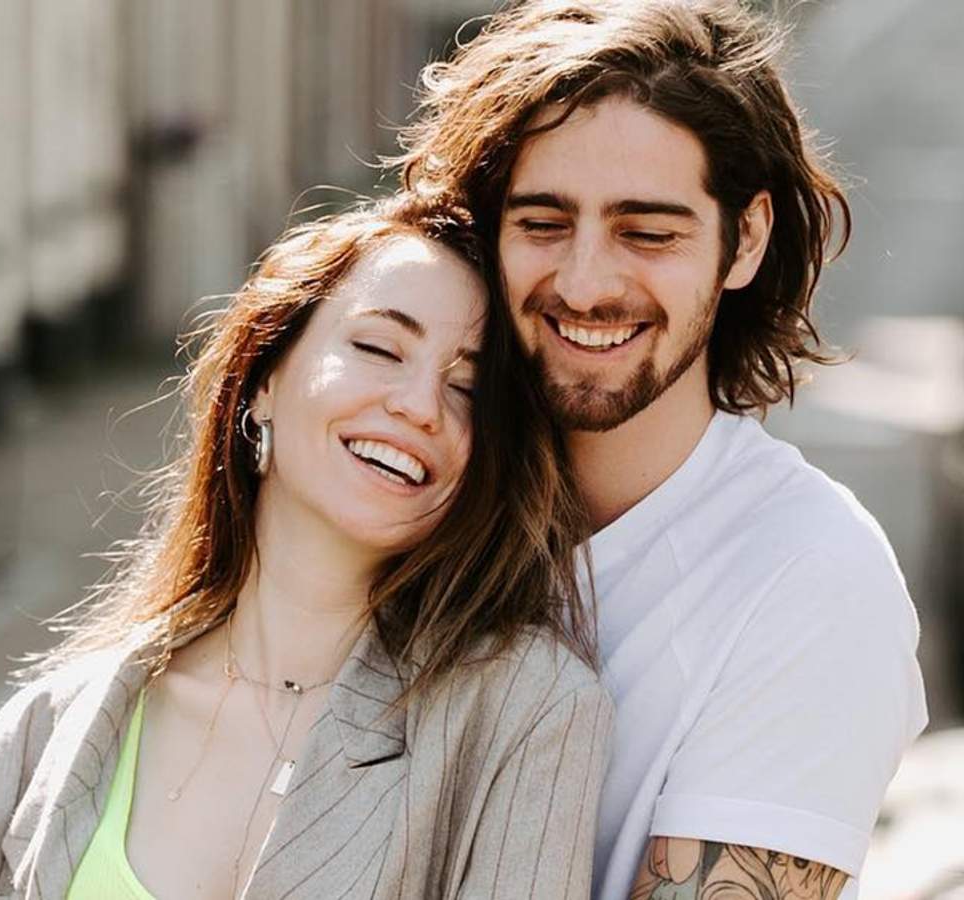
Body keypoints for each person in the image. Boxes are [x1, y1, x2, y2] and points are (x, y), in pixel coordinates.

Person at [0, 197, 613, 899]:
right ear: (264, 378)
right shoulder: (44, 737)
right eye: (378, 349)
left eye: (467, 389)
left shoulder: (527, 714)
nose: (421, 406)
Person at [393, 2, 928, 899]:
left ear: (744, 239)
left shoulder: (809, 577)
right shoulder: (399, 492)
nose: (585, 284)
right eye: (542, 223)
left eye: (647, 233)